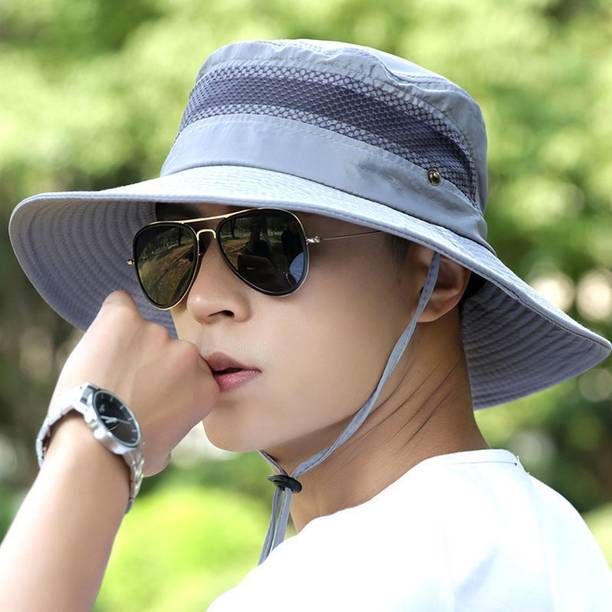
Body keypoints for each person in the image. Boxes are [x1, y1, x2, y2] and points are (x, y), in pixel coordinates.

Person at [1, 38, 611, 611]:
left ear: (436, 278)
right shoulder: (545, 535)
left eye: (266, 243)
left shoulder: (366, 573)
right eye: (175, 249)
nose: (204, 299)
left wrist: (97, 441)